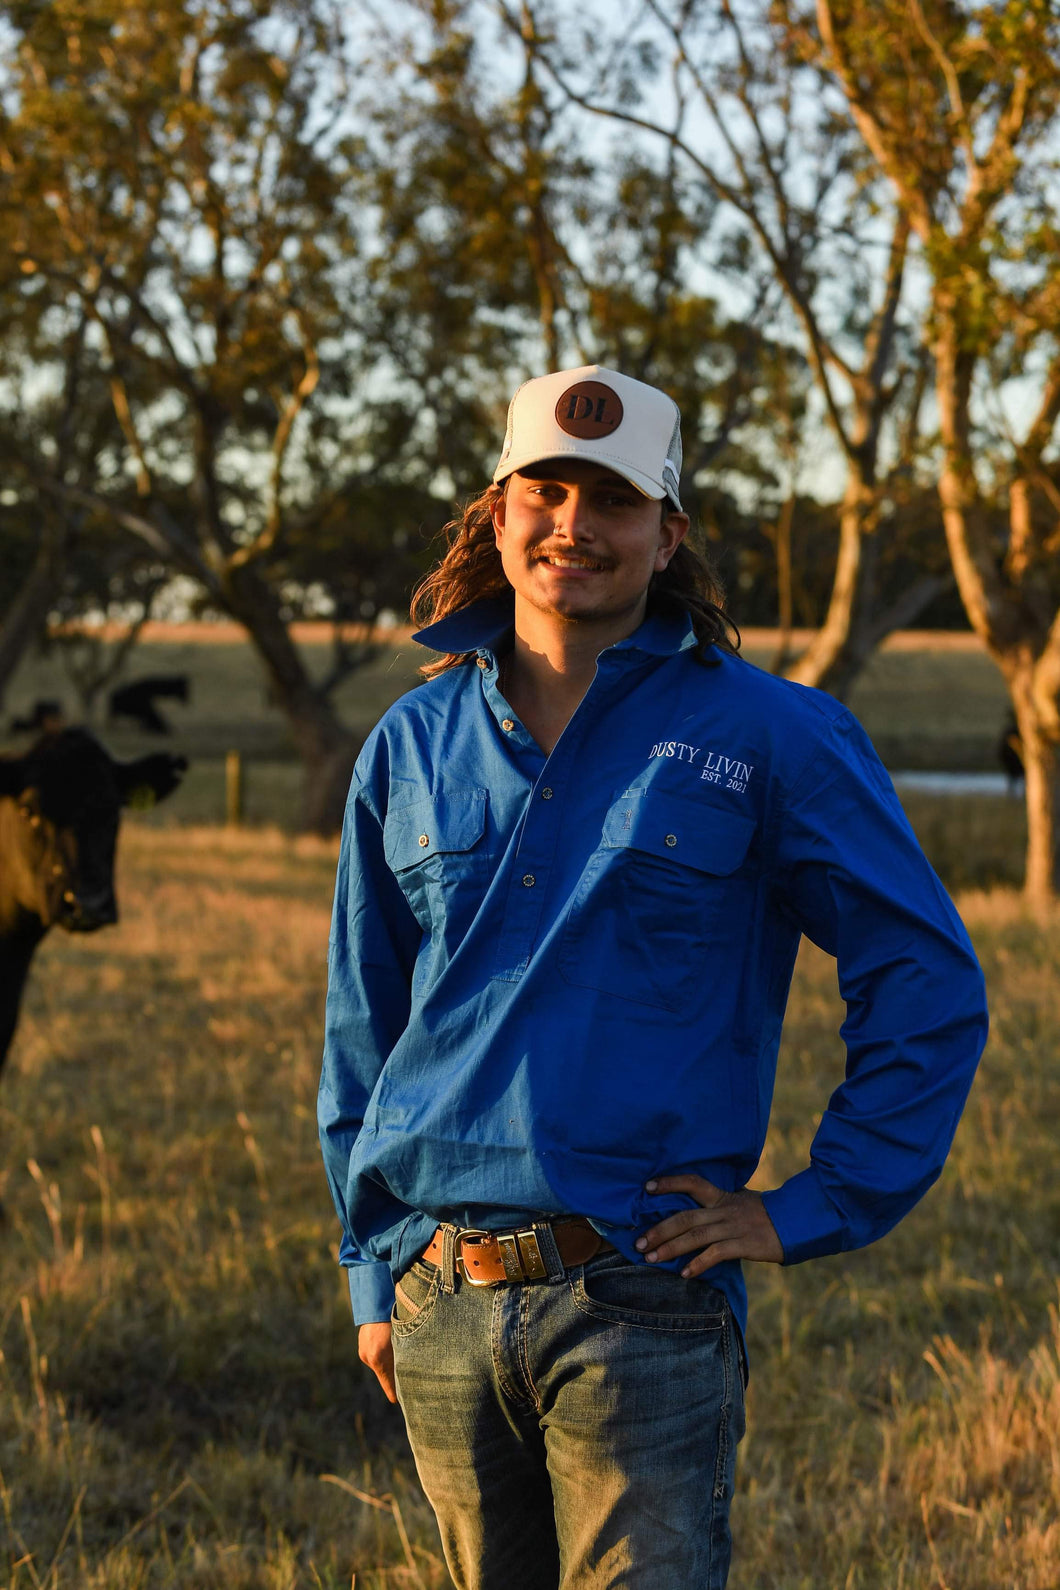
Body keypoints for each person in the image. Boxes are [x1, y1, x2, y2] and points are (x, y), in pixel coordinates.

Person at [318, 364, 988, 1590]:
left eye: (614, 500)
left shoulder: (772, 735)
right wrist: (378, 1271)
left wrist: (812, 1205)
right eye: (547, 490)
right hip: (439, 1303)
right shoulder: (408, 743)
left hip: (642, 1294)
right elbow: (362, 1026)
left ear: (666, 534)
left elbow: (927, 976)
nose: (574, 524)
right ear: (498, 509)